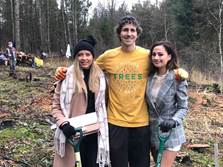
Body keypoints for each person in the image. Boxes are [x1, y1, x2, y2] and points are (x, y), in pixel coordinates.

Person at [54, 15, 151, 167]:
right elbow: (85, 66)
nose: (129, 33)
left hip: (141, 121)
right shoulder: (109, 56)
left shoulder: (147, 55)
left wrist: (179, 74)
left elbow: (164, 66)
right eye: (125, 30)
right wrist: (63, 71)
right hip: (115, 121)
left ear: (137, 33)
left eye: (133, 30)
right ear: (119, 33)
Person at [51, 35, 110, 167]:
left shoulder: (101, 77)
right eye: (80, 55)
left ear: (93, 56)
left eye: (87, 54)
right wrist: (63, 124)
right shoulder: (66, 77)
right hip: (72, 132)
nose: (84, 58)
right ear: (76, 57)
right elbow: (55, 106)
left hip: (95, 132)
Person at [145, 41, 188, 167]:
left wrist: (174, 120)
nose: (156, 58)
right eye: (154, 54)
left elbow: (183, 107)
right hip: (153, 133)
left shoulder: (177, 77)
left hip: (170, 133)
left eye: (160, 54)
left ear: (169, 56)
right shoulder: (150, 77)